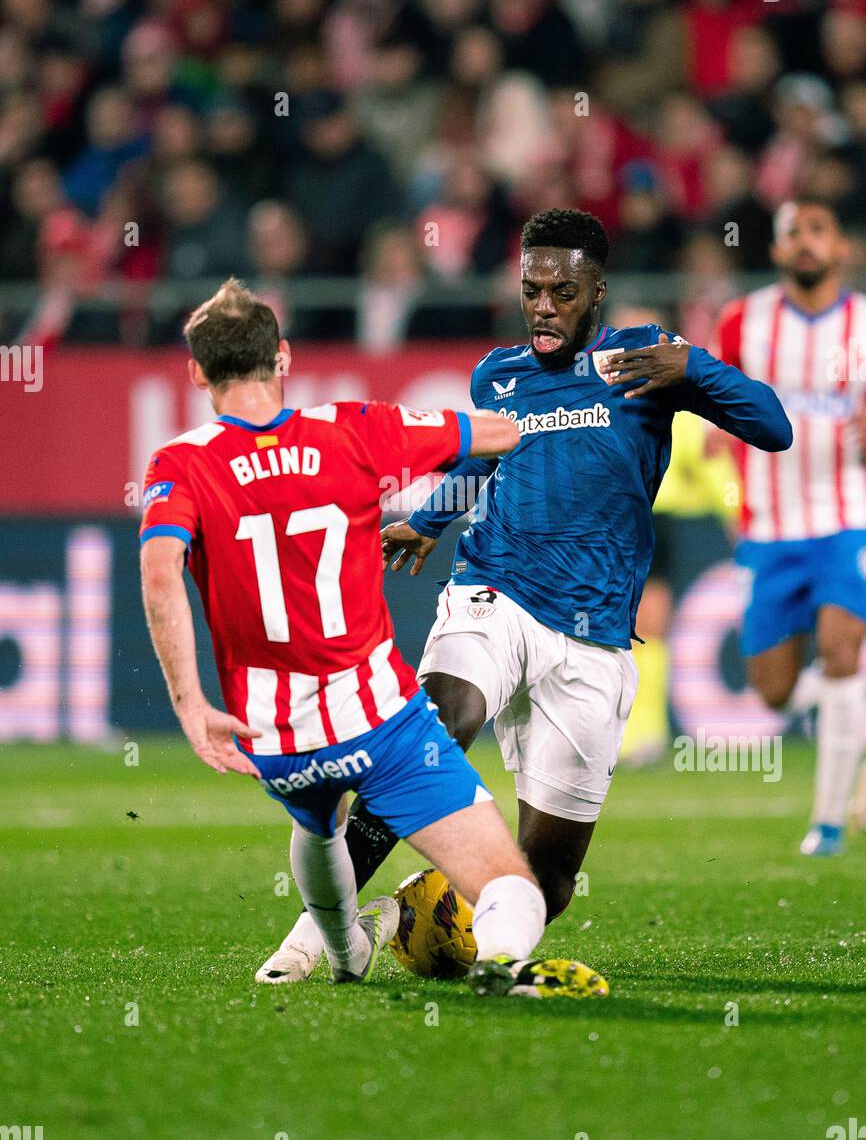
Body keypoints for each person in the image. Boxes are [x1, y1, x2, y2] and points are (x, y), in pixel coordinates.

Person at [272, 207, 792, 981]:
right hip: (495, 593)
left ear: (598, 291)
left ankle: (429, 925)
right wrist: (431, 519)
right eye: (532, 288)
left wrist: (693, 369)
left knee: (548, 881)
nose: (544, 305)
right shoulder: (498, 374)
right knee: (434, 734)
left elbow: (774, 427)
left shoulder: (641, 362)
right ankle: (319, 940)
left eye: (563, 290)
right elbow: (490, 458)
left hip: (595, 640)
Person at [139, 276, 609, 1000]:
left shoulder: (180, 463)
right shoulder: (351, 429)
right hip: (381, 722)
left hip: (276, 739)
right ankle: (503, 961)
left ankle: (341, 949)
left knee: (319, 824)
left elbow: (160, 569)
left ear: (197, 371)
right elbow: (500, 432)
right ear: (284, 358)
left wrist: (189, 702)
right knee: (510, 883)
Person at [715, 199, 866, 856]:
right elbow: (715, 422)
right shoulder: (742, 323)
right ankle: (852, 717)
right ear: (775, 252)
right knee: (772, 690)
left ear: (841, 248)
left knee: (841, 649)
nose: (804, 243)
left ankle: (827, 825)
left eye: (817, 231)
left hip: (848, 520)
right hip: (770, 529)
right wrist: (730, 504)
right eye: (791, 235)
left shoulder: (864, 324)